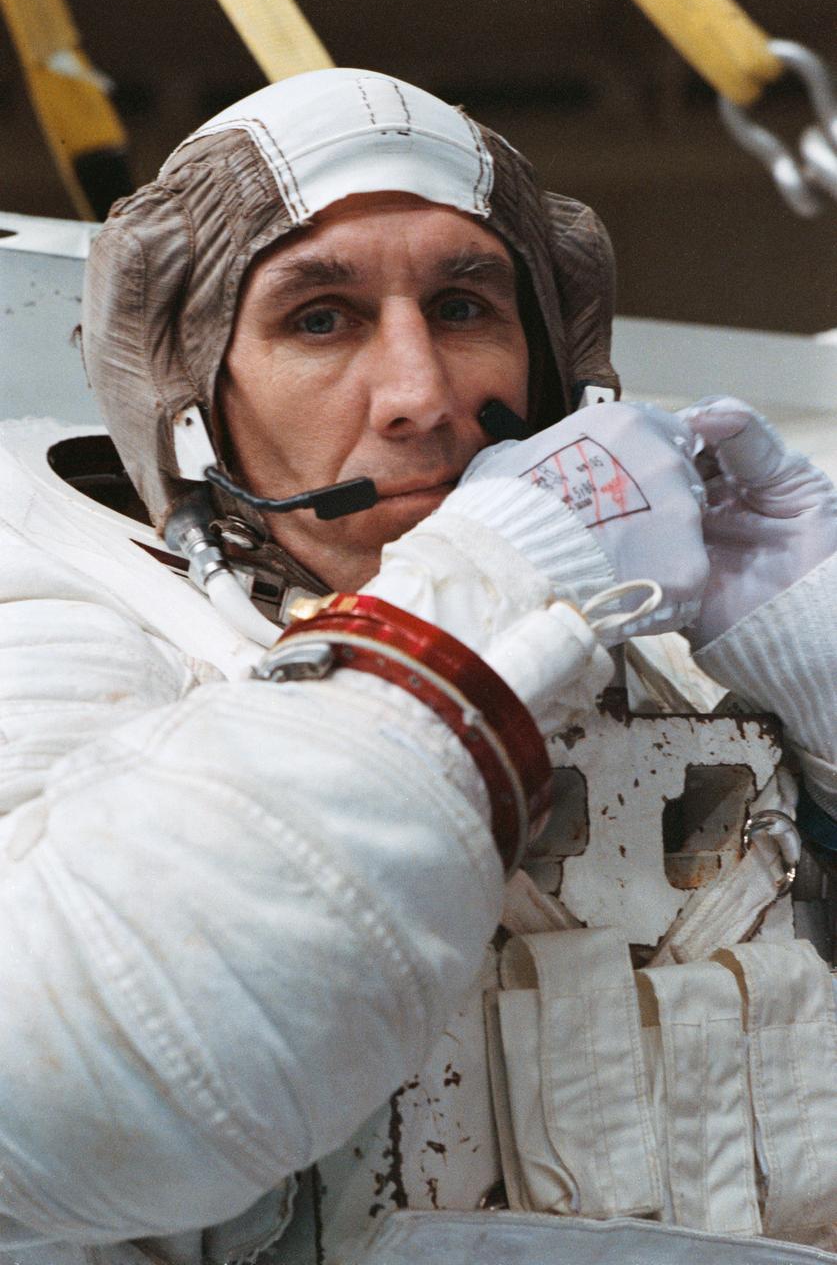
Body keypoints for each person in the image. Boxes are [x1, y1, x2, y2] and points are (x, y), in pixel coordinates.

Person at [0, 67, 834, 1265]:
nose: (422, 397)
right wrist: (478, 599)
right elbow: (73, 1090)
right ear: (193, 401)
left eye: (463, 305)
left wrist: (820, 665)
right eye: (320, 318)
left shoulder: (679, 637)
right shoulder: (63, 606)